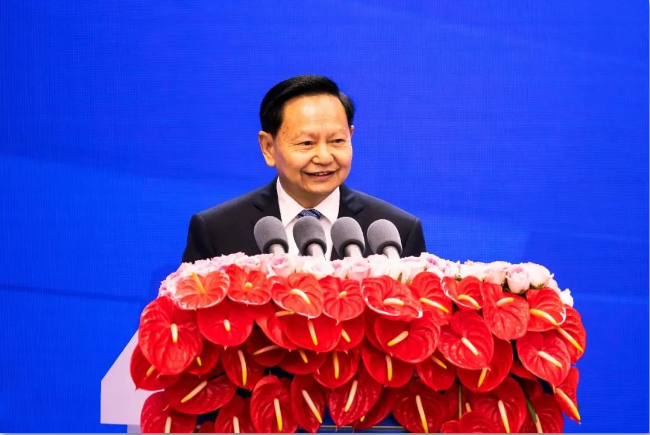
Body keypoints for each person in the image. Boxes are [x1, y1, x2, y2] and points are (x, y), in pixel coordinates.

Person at [182, 75, 426, 263]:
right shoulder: (218, 230)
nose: (324, 157)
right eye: (306, 143)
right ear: (268, 147)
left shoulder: (396, 232)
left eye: (337, 141)